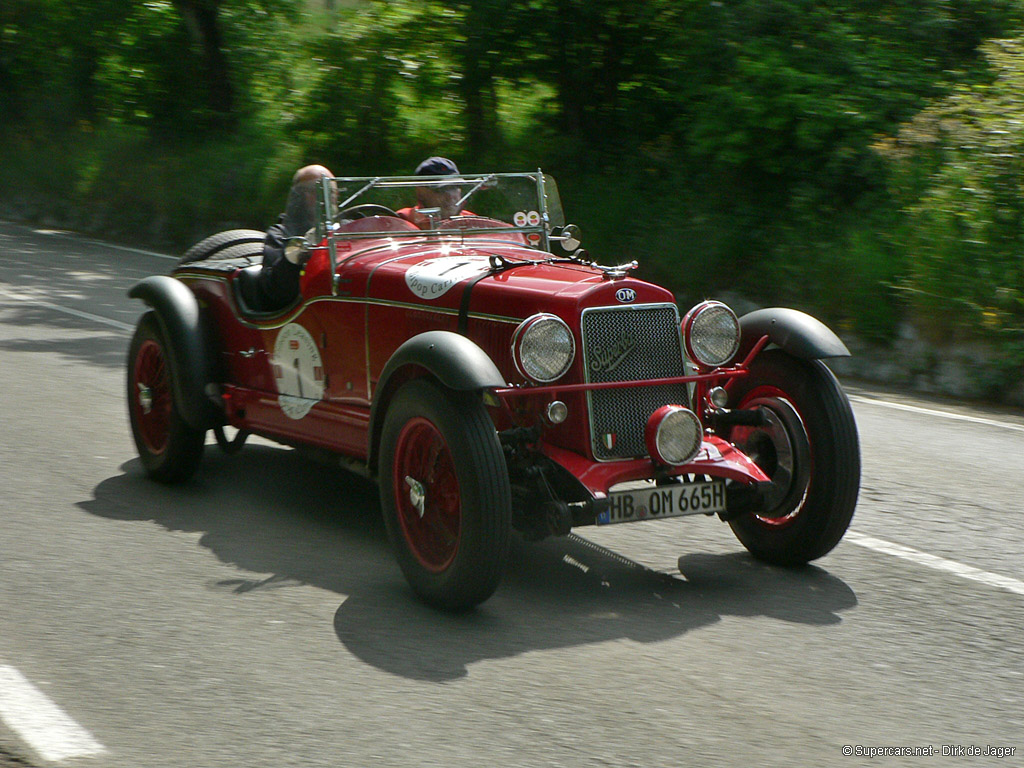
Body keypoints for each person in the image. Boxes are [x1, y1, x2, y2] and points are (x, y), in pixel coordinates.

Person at [257, 164, 335, 309]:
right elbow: (277, 291)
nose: (325, 197)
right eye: (315, 190)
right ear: (299, 196)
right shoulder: (280, 233)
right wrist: (300, 249)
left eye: (330, 190)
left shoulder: (348, 228)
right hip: (308, 310)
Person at [396, 156, 466, 228]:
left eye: (455, 187)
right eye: (441, 190)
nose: (450, 196)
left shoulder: (470, 221)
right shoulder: (401, 220)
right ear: (420, 192)